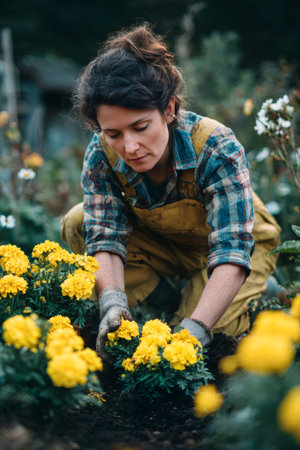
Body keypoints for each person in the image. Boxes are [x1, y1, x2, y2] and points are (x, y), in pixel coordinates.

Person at [62, 24, 281, 358]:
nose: (130, 146)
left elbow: (232, 249)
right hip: (166, 246)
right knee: (78, 221)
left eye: (140, 127)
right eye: (113, 133)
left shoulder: (215, 146)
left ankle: (260, 294)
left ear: (169, 109)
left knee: (203, 338)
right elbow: (104, 236)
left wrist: (194, 329)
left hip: (234, 251)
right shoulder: (101, 154)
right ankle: (164, 304)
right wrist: (111, 303)